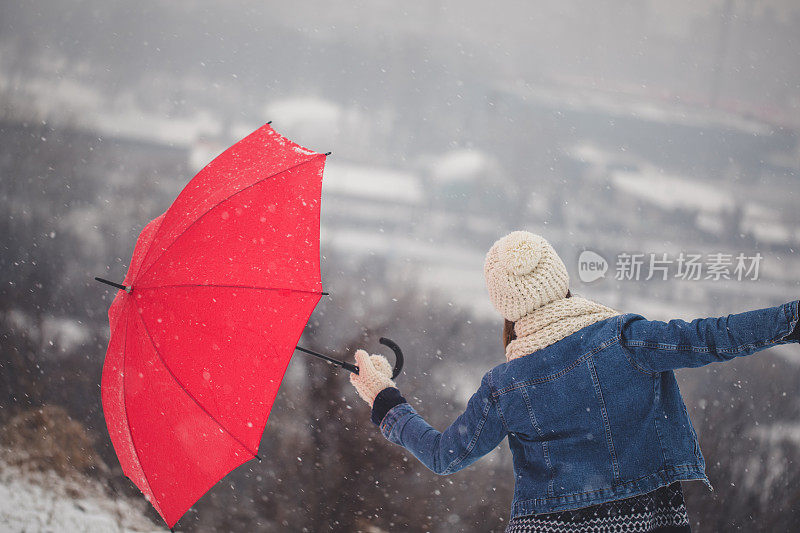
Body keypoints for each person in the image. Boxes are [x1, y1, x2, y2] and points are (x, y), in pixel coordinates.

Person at [349, 231, 800, 533]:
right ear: (559, 279)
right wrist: (790, 319)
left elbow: (446, 455)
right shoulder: (626, 340)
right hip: (650, 518)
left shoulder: (504, 386)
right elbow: (714, 336)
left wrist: (385, 399)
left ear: (504, 304)